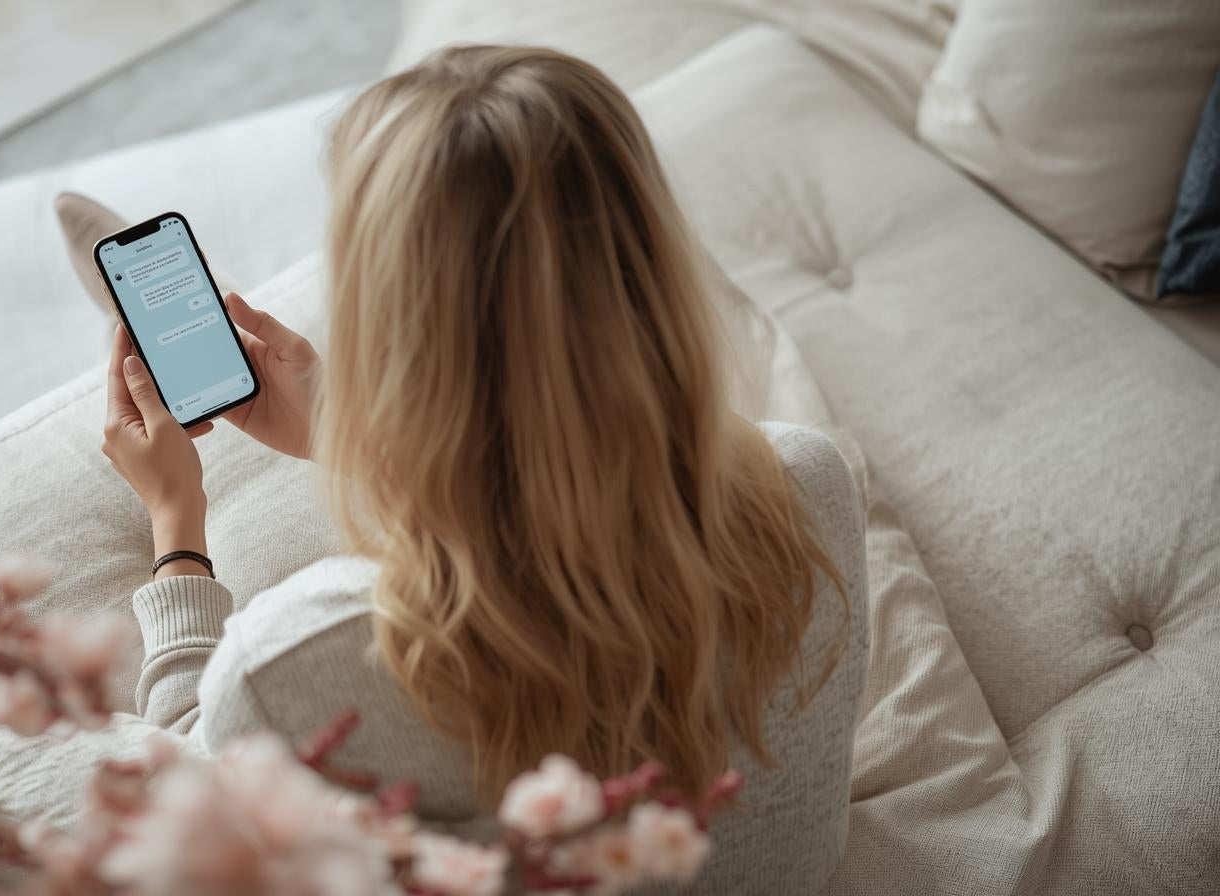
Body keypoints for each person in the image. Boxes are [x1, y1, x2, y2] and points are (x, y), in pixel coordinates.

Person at [101, 45, 866, 893]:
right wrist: (362, 439)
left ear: (382, 320)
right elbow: (568, 492)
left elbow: (189, 814)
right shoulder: (808, 483)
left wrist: (177, 525)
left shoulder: (301, 664)